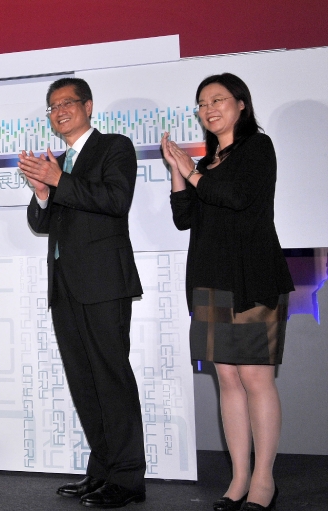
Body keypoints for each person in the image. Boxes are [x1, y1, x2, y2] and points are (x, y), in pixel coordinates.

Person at [162, 73, 293, 511]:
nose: (209, 108)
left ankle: (263, 481)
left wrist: (192, 172)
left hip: (252, 280)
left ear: (240, 104)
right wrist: (179, 173)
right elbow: (186, 218)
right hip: (210, 282)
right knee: (228, 379)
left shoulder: (257, 147)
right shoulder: (209, 160)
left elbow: (235, 197)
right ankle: (237, 479)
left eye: (218, 99)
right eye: (202, 103)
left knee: (257, 378)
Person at [18, 77, 146, 508]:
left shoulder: (115, 147)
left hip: (104, 282)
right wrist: (42, 194)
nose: (59, 111)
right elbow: (43, 224)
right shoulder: (61, 161)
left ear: (88, 106)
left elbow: (116, 200)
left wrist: (59, 179)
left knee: (111, 378)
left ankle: (128, 478)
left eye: (67, 103)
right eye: (52, 107)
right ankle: (103, 470)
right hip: (66, 286)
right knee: (84, 382)